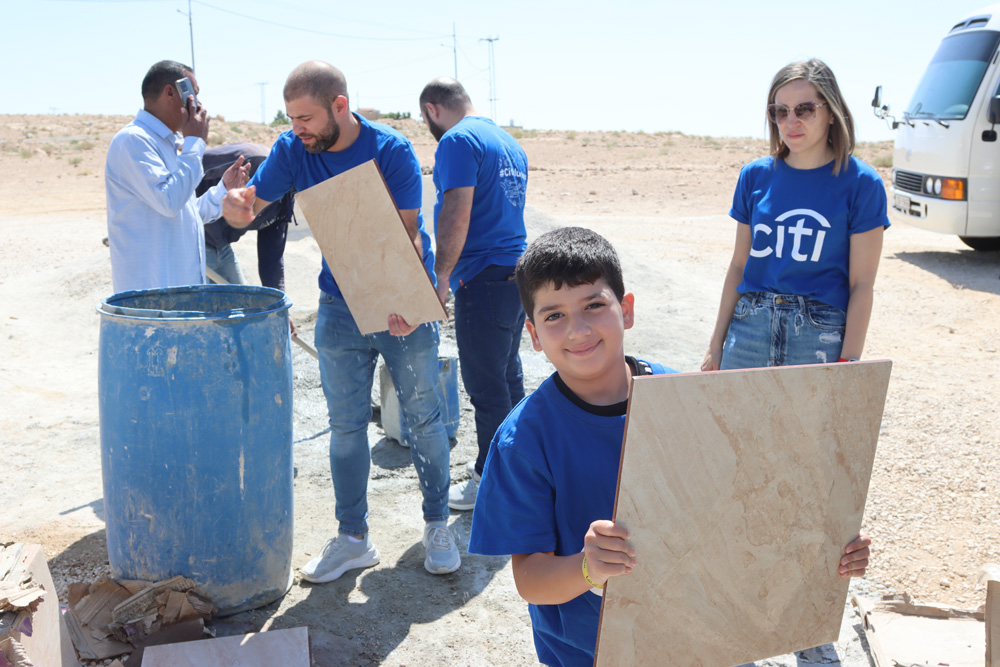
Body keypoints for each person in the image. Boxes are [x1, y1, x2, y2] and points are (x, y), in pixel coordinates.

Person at [468, 226, 873, 666]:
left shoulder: (687, 399)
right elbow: (530, 579)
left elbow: (748, 508)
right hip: (594, 654)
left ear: (626, 310)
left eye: (593, 305)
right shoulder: (524, 440)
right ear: (532, 334)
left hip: (708, 642)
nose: (577, 329)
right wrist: (588, 567)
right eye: (554, 316)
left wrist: (828, 545)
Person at [222, 60, 460, 580]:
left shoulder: (391, 150)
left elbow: (407, 235)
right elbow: (250, 207)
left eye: (305, 118)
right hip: (337, 304)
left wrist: (403, 300)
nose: (296, 128)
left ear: (340, 106)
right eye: (290, 118)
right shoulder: (293, 149)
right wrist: (235, 205)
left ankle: (437, 525)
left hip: (399, 301)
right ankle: (353, 539)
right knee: (345, 427)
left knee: (423, 419)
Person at [702, 59, 889, 372]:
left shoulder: (862, 183)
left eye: (805, 109)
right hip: (748, 331)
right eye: (780, 111)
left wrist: (849, 362)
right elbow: (738, 265)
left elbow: (862, 284)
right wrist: (715, 343)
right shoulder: (754, 176)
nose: (791, 121)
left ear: (831, 112)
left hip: (818, 336)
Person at [418, 77, 529, 510]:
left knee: (486, 387)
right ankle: (518, 466)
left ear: (432, 109)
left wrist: (441, 275)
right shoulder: (508, 143)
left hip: (481, 277)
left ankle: (491, 477)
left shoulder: (457, 140)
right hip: (517, 275)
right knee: (508, 377)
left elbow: (456, 211)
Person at [105, 60, 249, 293]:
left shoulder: (170, 144)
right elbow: (169, 201)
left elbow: (186, 214)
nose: (198, 105)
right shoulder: (133, 140)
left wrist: (223, 189)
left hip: (179, 295)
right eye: (193, 94)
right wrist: (195, 143)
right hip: (151, 299)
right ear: (171, 93)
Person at [196, 142, 295, 291]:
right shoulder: (252, 162)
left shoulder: (285, 199)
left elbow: (271, 256)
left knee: (242, 301)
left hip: (222, 247)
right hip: (194, 243)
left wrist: (279, 299)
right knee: (199, 302)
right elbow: (190, 170)